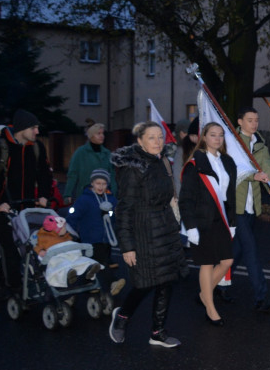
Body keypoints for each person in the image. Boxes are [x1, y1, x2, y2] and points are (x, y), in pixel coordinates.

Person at [108, 121, 187, 348]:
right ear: (140, 140)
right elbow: (124, 208)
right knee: (144, 283)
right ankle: (122, 317)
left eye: (160, 137)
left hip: (164, 228)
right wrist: (127, 246)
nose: (157, 141)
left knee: (166, 280)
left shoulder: (161, 162)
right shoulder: (133, 167)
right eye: (151, 137)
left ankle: (157, 332)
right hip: (142, 231)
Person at [0, 110, 52, 296]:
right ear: (22, 128)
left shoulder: (37, 148)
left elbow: (45, 175)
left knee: (30, 247)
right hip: (3, 209)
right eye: (34, 128)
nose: (37, 132)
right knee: (10, 249)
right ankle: (15, 290)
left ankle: (0, 279)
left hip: (29, 207)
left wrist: (43, 195)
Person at [180, 122, 237, 326]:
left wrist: (232, 220)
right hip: (201, 219)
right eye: (213, 135)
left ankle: (205, 294)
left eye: (220, 135)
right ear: (204, 137)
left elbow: (231, 195)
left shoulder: (228, 162)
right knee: (206, 262)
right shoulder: (196, 163)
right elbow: (185, 198)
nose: (217, 139)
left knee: (227, 260)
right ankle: (211, 309)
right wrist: (191, 226)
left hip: (221, 217)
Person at [232, 107, 270, 313]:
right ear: (240, 121)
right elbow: (233, 169)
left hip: (252, 206)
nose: (254, 124)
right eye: (250, 120)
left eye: (256, 120)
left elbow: (267, 166)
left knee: (236, 251)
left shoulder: (258, 143)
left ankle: (215, 286)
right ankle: (261, 296)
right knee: (251, 249)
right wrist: (254, 176)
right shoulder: (233, 143)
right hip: (236, 206)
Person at [67, 168, 124, 301]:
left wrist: (114, 215)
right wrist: (70, 232)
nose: (101, 187)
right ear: (92, 183)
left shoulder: (110, 199)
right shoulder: (85, 199)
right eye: (98, 183)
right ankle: (113, 283)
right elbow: (73, 216)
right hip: (90, 240)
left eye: (104, 184)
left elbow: (117, 216)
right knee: (101, 263)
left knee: (91, 265)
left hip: (106, 240)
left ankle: (81, 288)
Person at [64, 123, 116, 201]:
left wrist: (114, 193)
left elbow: (112, 175)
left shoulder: (107, 153)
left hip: (104, 195)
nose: (102, 136)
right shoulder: (81, 152)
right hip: (85, 194)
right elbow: (72, 174)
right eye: (98, 133)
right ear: (91, 136)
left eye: (103, 133)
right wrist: (67, 194)